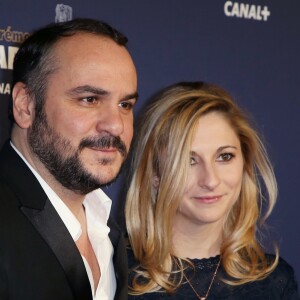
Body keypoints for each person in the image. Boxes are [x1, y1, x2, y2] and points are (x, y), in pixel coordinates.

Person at [0, 18, 137, 300]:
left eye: (125, 105)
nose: (116, 125)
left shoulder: (108, 229)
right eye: (89, 99)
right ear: (25, 105)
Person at [126, 82, 299, 299]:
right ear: (155, 175)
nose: (211, 180)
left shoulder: (275, 283)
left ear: (245, 164)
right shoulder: (112, 274)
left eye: (224, 156)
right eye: (189, 160)